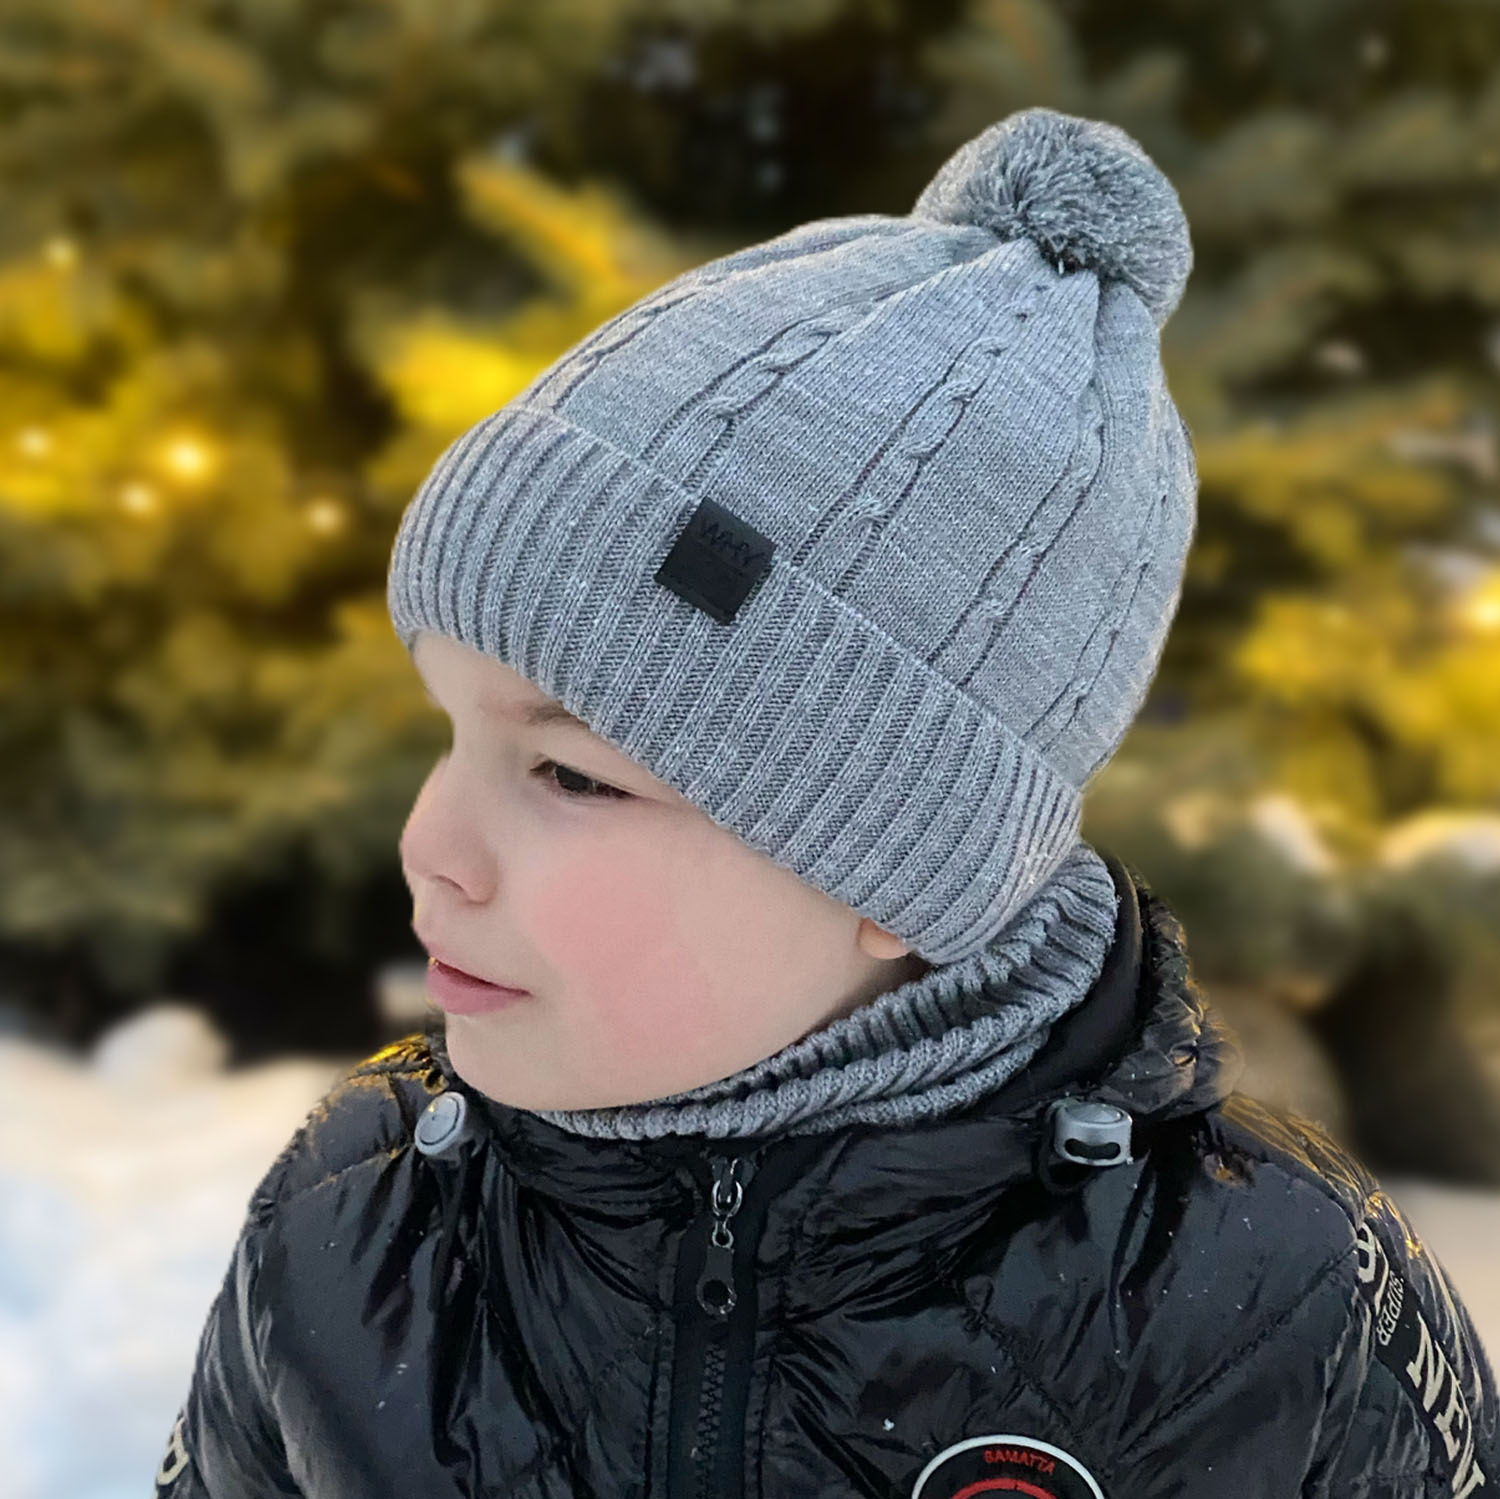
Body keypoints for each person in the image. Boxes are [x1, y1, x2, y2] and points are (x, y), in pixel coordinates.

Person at [157, 106, 1497, 1498]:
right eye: (451, 731)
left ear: (893, 870)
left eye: (568, 772)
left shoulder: (1263, 1309)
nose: (428, 845)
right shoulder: (355, 1231)